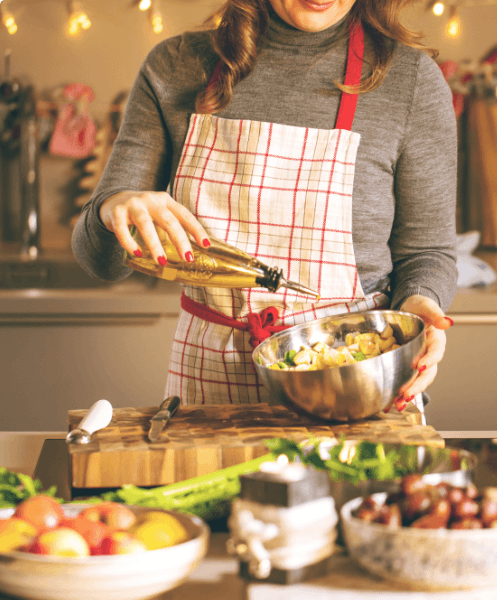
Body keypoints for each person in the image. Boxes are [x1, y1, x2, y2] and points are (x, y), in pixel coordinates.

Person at [72, 0, 458, 411]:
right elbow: (101, 261)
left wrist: (419, 305)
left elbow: (426, 252)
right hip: (210, 394)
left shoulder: (412, 81)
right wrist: (112, 208)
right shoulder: (176, 66)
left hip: (358, 383)